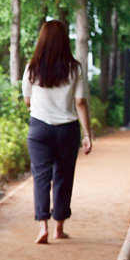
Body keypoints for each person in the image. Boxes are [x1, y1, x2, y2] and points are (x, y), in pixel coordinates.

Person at [22, 20, 92, 244]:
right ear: (64, 40)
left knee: (41, 177)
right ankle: (59, 227)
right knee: (63, 176)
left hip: (39, 128)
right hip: (67, 130)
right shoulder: (75, 68)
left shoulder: (32, 67)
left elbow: (27, 100)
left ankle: (42, 225)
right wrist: (88, 134)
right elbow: (80, 102)